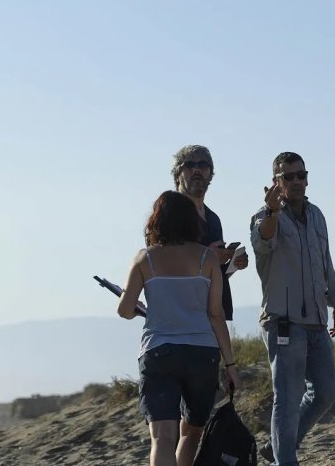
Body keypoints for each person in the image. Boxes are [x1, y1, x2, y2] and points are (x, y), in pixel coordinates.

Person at [118, 191, 239, 466]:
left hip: (159, 351)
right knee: (193, 429)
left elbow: (125, 311)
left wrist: (139, 303)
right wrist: (230, 364)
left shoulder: (144, 259)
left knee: (162, 436)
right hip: (201, 352)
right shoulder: (207, 258)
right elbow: (216, 314)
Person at [249, 152, 335, 466]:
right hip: (283, 321)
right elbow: (264, 240)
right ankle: (284, 459)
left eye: (300, 175)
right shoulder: (264, 218)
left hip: (317, 318)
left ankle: (278, 448)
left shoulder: (316, 215)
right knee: (287, 399)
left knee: (326, 392)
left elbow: (325, 259)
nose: (295, 182)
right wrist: (272, 211)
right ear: (276, 182)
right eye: (287, 177)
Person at [172, 145, 248, 322]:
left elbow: (214, 274)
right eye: (190, 165)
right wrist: (208, 256)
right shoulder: (169, 214)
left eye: (203, 165)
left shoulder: (213, 219)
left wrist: (232, 264)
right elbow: (160, 264)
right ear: (178, 174)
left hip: (214, 314)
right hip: (183, 315)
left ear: (210, 174)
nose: (197, 170)